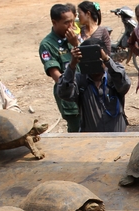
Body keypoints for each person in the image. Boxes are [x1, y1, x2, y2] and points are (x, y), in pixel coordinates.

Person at [57, 38, 131, 132]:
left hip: (118, 137)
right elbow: (64, 93)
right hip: (90, 138)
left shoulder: (114, 75)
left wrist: (107, 60)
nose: (93, 63)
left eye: (97, 59)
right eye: (88, 60)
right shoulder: (79, 80)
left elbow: (125, 85)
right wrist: (72, 65)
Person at [39, 4, 81, 132]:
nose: (71, 26)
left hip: (86, 91)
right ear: (54, 22)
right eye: (66, 22)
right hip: (70, 96)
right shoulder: (47, 44)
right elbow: (57, 76)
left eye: (72, 21)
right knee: (77, 132)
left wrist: (76, 44)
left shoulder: (75, 38)